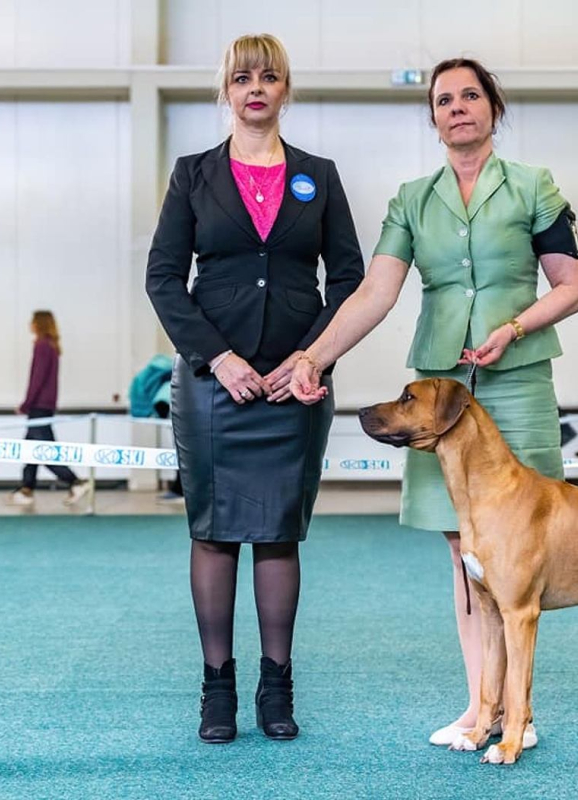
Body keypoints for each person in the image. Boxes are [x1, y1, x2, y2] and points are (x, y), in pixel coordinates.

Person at [290, 58, 578, 746]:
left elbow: (573, 287)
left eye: (470, 96)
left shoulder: (534, 187)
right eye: (444, 100)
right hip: (438, 393)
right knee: (465, 552)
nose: (457, 107)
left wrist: (515, 328)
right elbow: (375, 292)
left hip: (517, 380)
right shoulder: (412, 200)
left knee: (522, 547)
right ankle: (481, 708)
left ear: (493, 108)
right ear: (432, 117)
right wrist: (314, 356)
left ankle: (518, 712)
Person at [145, 34, 363, 744]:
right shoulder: (193, 175)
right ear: (227, 91)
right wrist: (219, 358)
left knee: (277, 536)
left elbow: (350, 280)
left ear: (285, 89)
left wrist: (310, 358)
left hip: (296, 386)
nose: (256, 88)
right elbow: (162, 278)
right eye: (242, 78)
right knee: (213, 534)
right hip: (214, 385)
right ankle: (217, 689)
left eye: (269, 77)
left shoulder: (320, 176)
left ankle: (277, 686)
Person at [8, 311, 89, 508]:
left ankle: (75, 482)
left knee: (44, 451)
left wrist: (26, 404)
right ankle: (26, 489)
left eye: (32, 321)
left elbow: (37, 378)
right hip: (44, 405)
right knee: (30, 449)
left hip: (39, 406)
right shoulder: (50, 346)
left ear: (39, 324)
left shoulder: (42, 346)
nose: (30, 324)